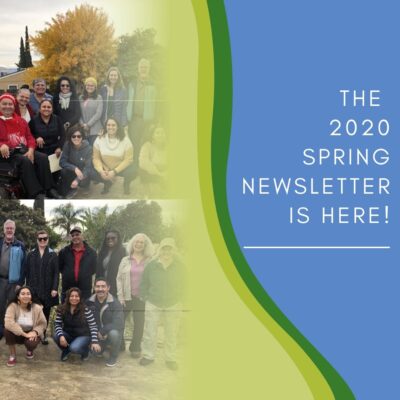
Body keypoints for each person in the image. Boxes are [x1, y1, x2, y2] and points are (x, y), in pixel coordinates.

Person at [0, 94, 61, 199]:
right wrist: (1, 144)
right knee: (25, 161)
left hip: (22, 149)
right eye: (4, 104)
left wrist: (31, 150)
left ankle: (49, 188)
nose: (7, 106)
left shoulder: (21, 121)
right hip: (6, 155)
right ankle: (36, 193)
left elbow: (30, 137)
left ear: (14, 106)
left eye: (10, 104)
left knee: (42, 157)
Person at [139, 238, 185, 370]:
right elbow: (144, 282)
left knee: (171, 332)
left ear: (173, 250)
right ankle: (148, 356)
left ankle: (170, 358)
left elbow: (186, 283)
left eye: (169, 248)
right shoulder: (152, 265)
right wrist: (145, 296)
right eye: (164, 248)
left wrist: (181, 298)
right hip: (153, 302)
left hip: (173, 303)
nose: (166, 251)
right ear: (160, 250)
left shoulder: (180, 266)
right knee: (150, 331)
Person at [116, 233, 153, 356]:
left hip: (141, 297)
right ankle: (120, 344)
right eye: (136, 242)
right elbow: (119, 279)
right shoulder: (125, 260)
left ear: (145, 245)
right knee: (120, 321)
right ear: (133, 243)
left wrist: (148, 295)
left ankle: (135, 347)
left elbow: (151, 279)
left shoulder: (149, 261)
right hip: (126, 297)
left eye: (141, 242)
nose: (138, 244)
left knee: (139, 323)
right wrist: (120, 297)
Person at [25, 230, 59, 345]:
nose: (43, 240)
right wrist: (28, 289)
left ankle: (43, 334)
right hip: (34, 289)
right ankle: (34, 333)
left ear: (48, 239)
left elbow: (56, 273)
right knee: (34, 312)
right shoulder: (31, 254)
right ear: (37, 240)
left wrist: (55, 288)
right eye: (40, 239)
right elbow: (27, 273)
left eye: (45, 238)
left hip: (48, 289)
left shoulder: (53, 254)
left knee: (46, 312)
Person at [53, 287, 101, 361]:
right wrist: (61, 336)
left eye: (77, 296)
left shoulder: (86, 310)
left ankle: (85, 351)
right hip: (69, 334)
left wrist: (94, 341)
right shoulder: (62, 309)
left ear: (80, 298)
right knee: (56, 336)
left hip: (83, 335)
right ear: (68, 297)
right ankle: (66, 350)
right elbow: (57, 324)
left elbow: (93, 326)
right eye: (72, 296)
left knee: (74, 348)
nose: (74, 298)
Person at [4, 285, 47, 366]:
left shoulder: (37, 307)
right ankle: (12, 355)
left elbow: (43, 323)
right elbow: (8, 322)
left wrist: (35, 332)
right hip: (18, 333)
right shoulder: (12, 306)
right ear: (18, 296)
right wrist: (24, 334)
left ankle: (29, 350)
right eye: (23, 294)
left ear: (31, 296)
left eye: (28, 294)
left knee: (31, 344)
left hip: (31, 333)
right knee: (7, 330)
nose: (26, 296)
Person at [86, 278, 124, 367]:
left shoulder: (115, 303)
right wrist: (94, 336)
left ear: (108, 288)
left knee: (114, 334)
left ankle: (113, 356)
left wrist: (103, 331)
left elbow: (119, 322)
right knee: (95, 353)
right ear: (94, 288)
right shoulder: (89, 302)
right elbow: (85, 320)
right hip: (96, 333)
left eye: (103, 286)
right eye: (98, 286)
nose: (100, 289)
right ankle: (102, 347)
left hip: (109, 332)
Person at [92, 117, 135, 195]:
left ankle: (126, 184)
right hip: (105, 168)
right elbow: (96, 158)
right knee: (91, 168)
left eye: (113, 125)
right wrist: (101, 171)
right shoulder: (99, 139)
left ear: (118, 127)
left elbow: (128, 159)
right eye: (108, 125)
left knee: (132, 169)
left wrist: (114, 171)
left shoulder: (125, 140)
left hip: (120, 167)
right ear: (105, 126)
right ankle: (107, 183)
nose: (110, 127)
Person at [0, 219, 26, 339]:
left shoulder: (20, 245)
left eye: (11, 228)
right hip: (1, 280)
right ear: (4, 230)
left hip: (14, 283)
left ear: (14, 230)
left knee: (12, 306)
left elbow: (24, 266)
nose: (9, 230)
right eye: (7, 228)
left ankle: (11, 331)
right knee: (0, 305)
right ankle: (1, 330)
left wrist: (20, 283)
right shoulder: (0, 243)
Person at [127, 59, 157, 159]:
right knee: (134, 144)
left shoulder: (154, 83)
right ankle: (135, 169)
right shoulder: (132, 83)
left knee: (145, 144)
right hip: (134, 120)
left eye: (145, 67)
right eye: (141, 67)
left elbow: (158, 104)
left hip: (148, 121)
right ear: (138, 69)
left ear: (149, 68)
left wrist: (155, 121)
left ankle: (144, 170)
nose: (143, 69)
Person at [58, 227, 97, 301]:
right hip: (68, 288)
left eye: (77, 234)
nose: (75, 237)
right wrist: (68, 274)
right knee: (66, 311)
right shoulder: (64, 252)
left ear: (83, 236)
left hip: (84, 289)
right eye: (73, 236)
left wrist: (84, 275)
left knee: (84, 310)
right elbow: (60, 267)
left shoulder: (92, 252)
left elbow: (94, 269)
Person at [59, 125, 93, 197]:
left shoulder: (88, 149)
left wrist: (77, 180)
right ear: (70, 137)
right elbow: (62, 162)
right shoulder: (67, 145)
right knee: (63, 171)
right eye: (73, 136)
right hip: (73, 171)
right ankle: (72, 189)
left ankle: (85, 186)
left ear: (82, 137)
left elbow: (88, 168)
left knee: (85, 179)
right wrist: (74, 168)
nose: (76, 138)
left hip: (83, 173)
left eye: (79, 136)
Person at [139, 124, 168, 196]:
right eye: (157, 133)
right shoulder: (147, 145)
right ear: (152, 135)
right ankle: (148, 193)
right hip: (153, 172)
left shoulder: (169, 146)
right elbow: (143, 161)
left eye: (162, 132)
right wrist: (160, 174)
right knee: (142, 172)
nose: (160, 135)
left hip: (166, 171)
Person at [96, 230, 126, 296]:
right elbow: (98, 270)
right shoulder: (102, 252)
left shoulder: (123, 252)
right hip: (102, 285)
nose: (110, 240)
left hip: (116, 286)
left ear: (118, 238)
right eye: (108, 238)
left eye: (113, 238)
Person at [79, 77, 103, 146]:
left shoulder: (99, 97)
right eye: (88, 85)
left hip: (95, 130)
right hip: (83, 130)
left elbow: (98, 113)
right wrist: (82, 124)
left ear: (95, 87)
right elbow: (79, 113)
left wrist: (88, 125)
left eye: (92, 85)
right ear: (85, 86)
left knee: (94, 152)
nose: (90, 87)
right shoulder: (81, 97)